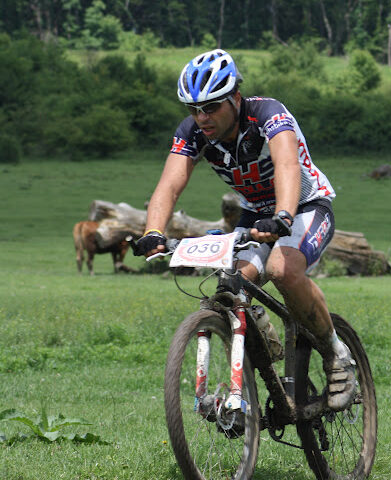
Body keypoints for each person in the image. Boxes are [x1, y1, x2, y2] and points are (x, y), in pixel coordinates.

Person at [133, 49, 355, 411]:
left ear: (235, 98)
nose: (202, 117)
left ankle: (335, 353)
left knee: (283, 269)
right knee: (231, 287)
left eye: (212, 107)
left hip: (304, 206)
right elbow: (169, 184)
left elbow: (285, 164)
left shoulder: (268, 114)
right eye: (194, 109)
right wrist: (154, 231)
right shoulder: (193, 132)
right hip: (256, 214)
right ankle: (262, 375)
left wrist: (283, 215)